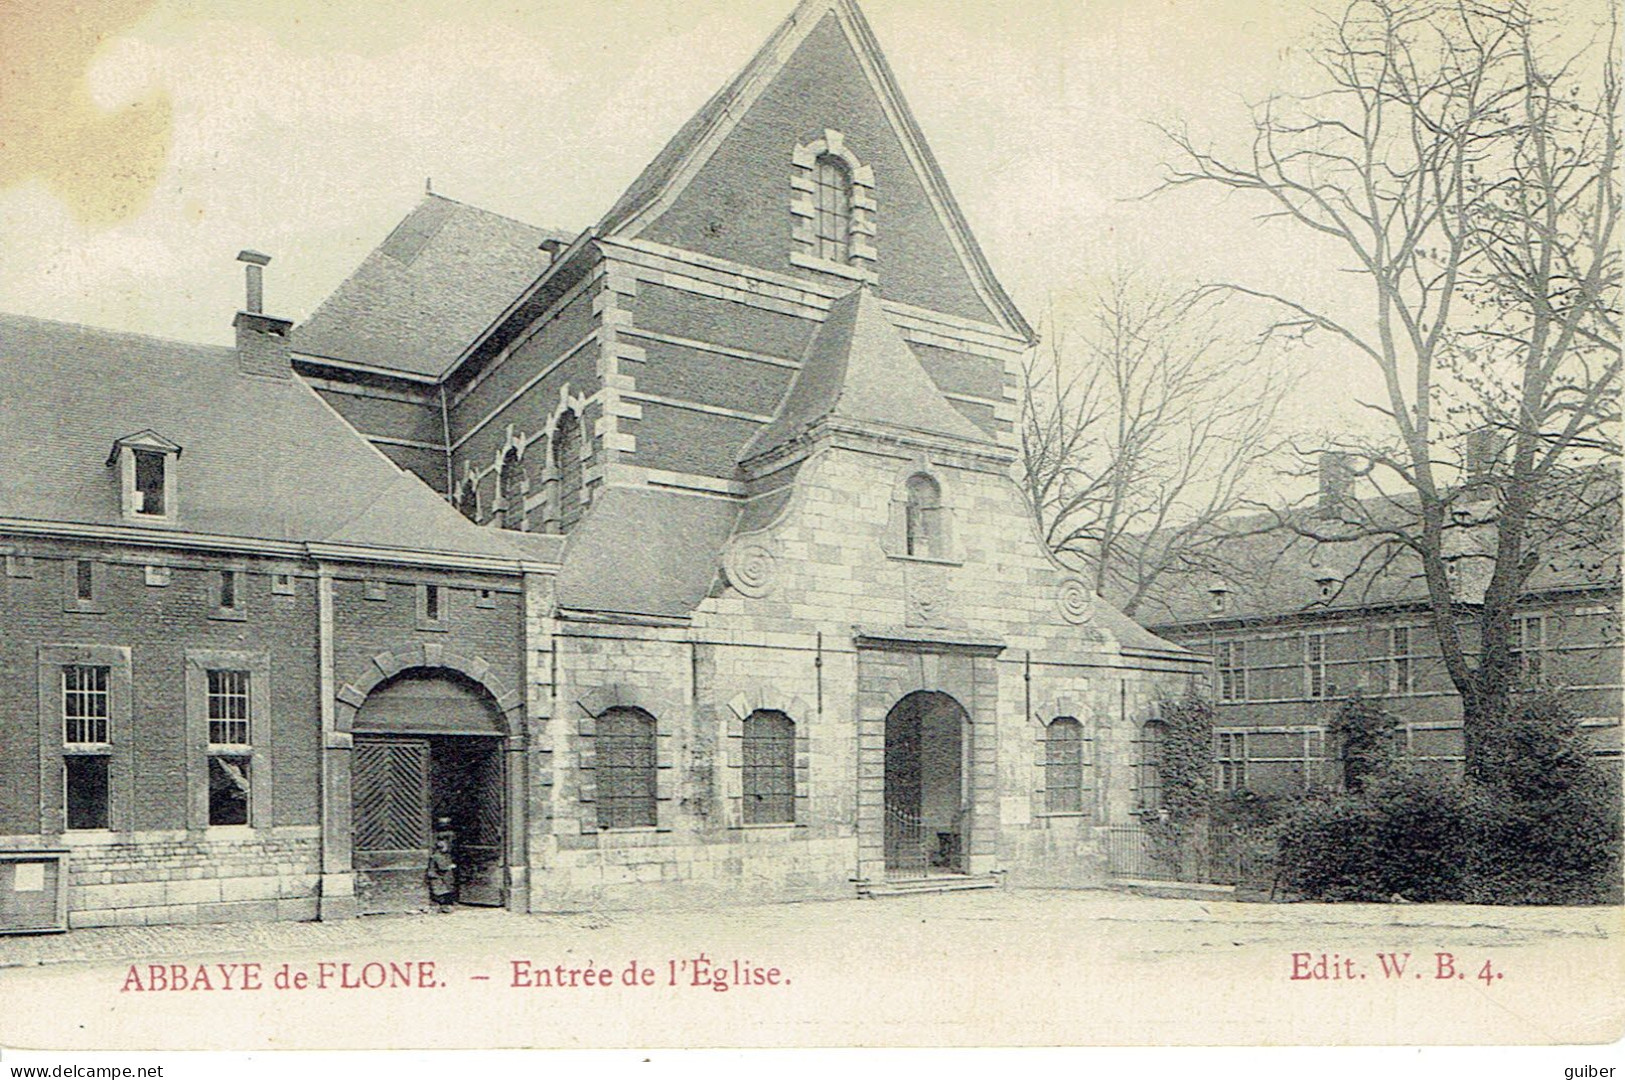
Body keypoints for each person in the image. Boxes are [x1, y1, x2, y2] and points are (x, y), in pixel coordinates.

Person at [426, 816, 457, 912]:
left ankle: (445, 903)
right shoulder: (438, 855)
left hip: (441, 873)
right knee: (441, 887)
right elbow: (442, 866)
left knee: (447, 884)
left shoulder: (449, 837)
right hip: (437, 875)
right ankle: (442, 904)